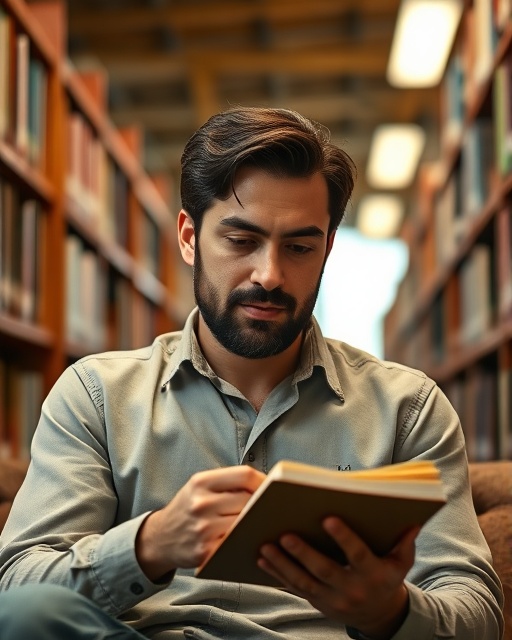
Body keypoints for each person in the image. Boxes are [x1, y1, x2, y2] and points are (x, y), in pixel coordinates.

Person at [0, 106, 504, 640]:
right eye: (241, 241)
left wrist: (389, 611)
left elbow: (478, 612)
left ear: (328, 249)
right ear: (189, 237)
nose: (270, 274)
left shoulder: (409, 409)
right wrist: (149, 546)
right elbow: (17, 588)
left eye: (300, 247)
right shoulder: (96, 396)